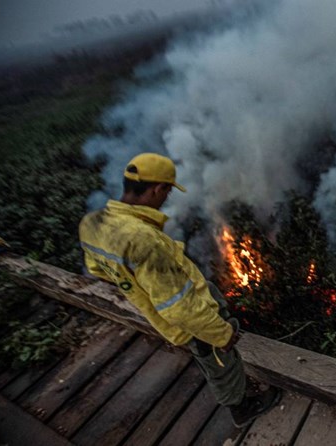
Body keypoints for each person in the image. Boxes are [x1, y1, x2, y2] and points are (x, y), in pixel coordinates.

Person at [79, 152, 280, 427]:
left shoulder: (92, 223)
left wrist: (134, 286)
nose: (166, 199)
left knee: (210, 356)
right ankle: (242, 407)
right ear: (157, 189)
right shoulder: (143, 239)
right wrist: (221, 334)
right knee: (220, 363)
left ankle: (236, 385)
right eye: (168, 192)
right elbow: (179, 308)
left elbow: (98, 270)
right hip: (194, 322)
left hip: (166, 311)